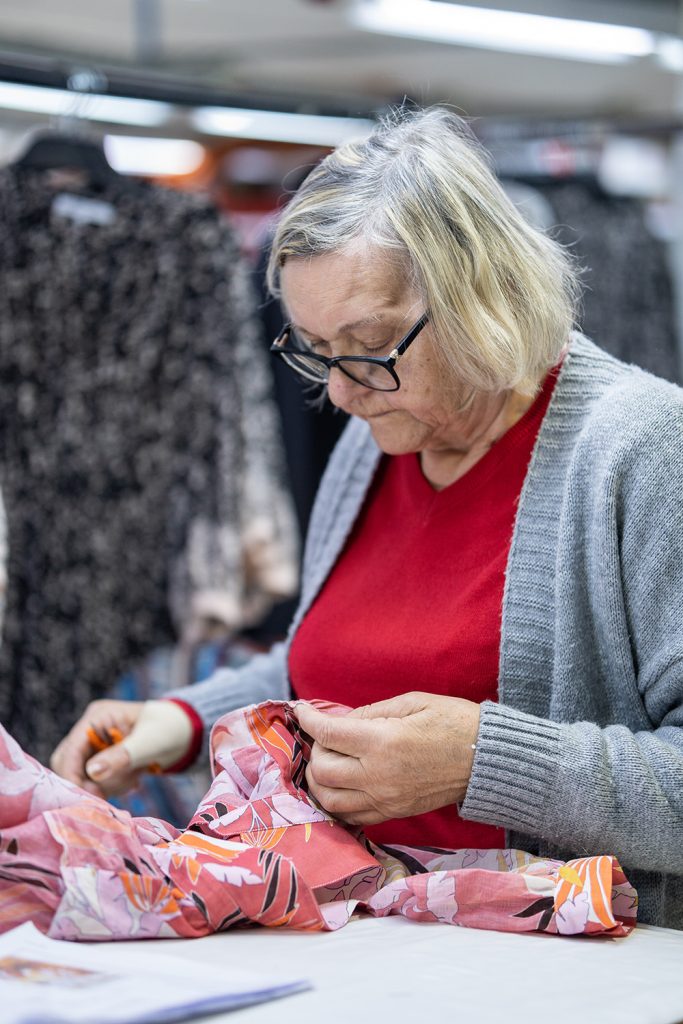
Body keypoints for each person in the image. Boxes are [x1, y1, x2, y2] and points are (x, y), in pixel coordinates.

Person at [51, 106, 683, 929]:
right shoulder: (378, 436)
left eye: (370, 344)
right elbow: (334, 667)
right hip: (369, 951)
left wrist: (480, 763)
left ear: (482, 301)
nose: (340, 392)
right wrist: (180, 718)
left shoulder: (641, 450)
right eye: (312, 349)